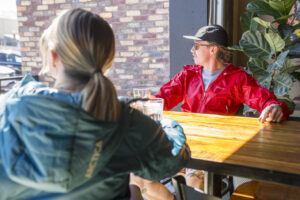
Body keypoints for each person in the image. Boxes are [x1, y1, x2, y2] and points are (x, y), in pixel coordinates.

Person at [0, 8, 190, 200]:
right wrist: (169, 125)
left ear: (53, 56)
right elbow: (172, 161)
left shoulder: (9, 111)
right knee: (135, 183)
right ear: (108, 59)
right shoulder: (124, 119)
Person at [131, 24, 290, 199]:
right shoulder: (187, 75)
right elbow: (162, 99)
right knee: (136, 177)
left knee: (193, 184)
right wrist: (141, 105)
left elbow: (266, 101)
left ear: (213, 49)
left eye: (197, 45)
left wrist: (275, 107)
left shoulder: (237, 78)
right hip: (182, 142)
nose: (192, 50)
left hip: (212, 151)